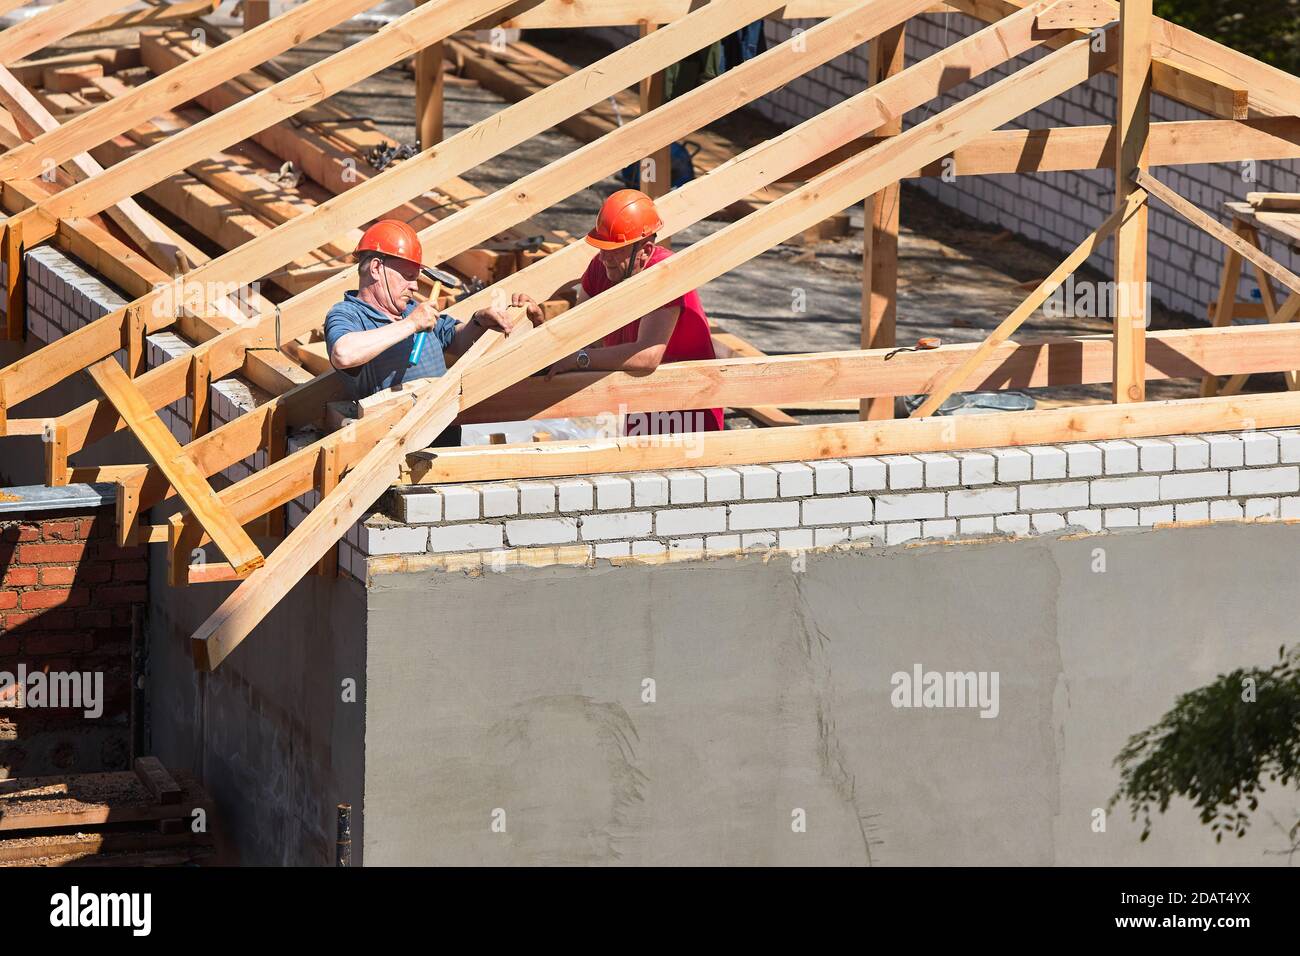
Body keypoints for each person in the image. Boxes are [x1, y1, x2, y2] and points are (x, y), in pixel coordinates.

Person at [511, 189, 724, 436]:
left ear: (644, 250)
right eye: (602, 247)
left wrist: (580, 359)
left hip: (688, 408)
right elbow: (577, 333)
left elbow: (647, 356)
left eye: (615, 250)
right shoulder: (602, 268)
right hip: (640, 402)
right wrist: (541, 325)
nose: (604, 257)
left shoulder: (665, 274)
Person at [325, 219, 528, 404]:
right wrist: (411, 324)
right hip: (392, 437)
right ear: (377, 268)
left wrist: (479, 321)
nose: (414, 286)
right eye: (408, 276)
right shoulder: (348, 314)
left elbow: (456, 341)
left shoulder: (411, 310)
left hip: (439, 425)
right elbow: (343, 354)